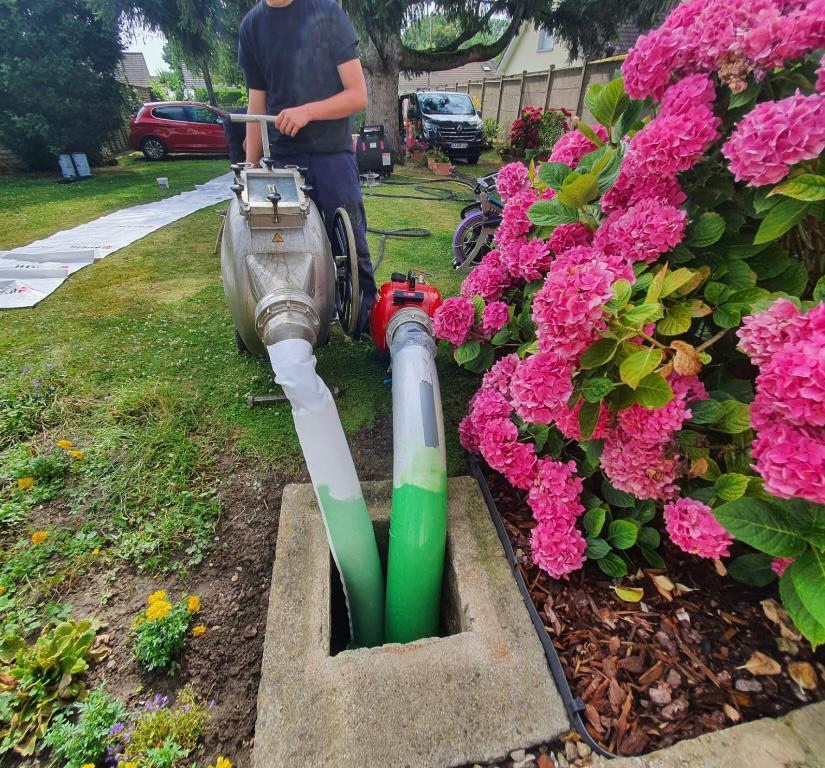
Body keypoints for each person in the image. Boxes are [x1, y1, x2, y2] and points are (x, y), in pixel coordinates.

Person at [237, 0, 376, 327]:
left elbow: (357, 95)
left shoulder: (327, 13)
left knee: (350, 242)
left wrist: (307, 111)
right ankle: (299, 319)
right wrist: (249, 166)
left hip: (332, 154)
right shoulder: (252, 26)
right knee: (288, 246)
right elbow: (256, 104)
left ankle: (365, 318)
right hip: (284, 157)